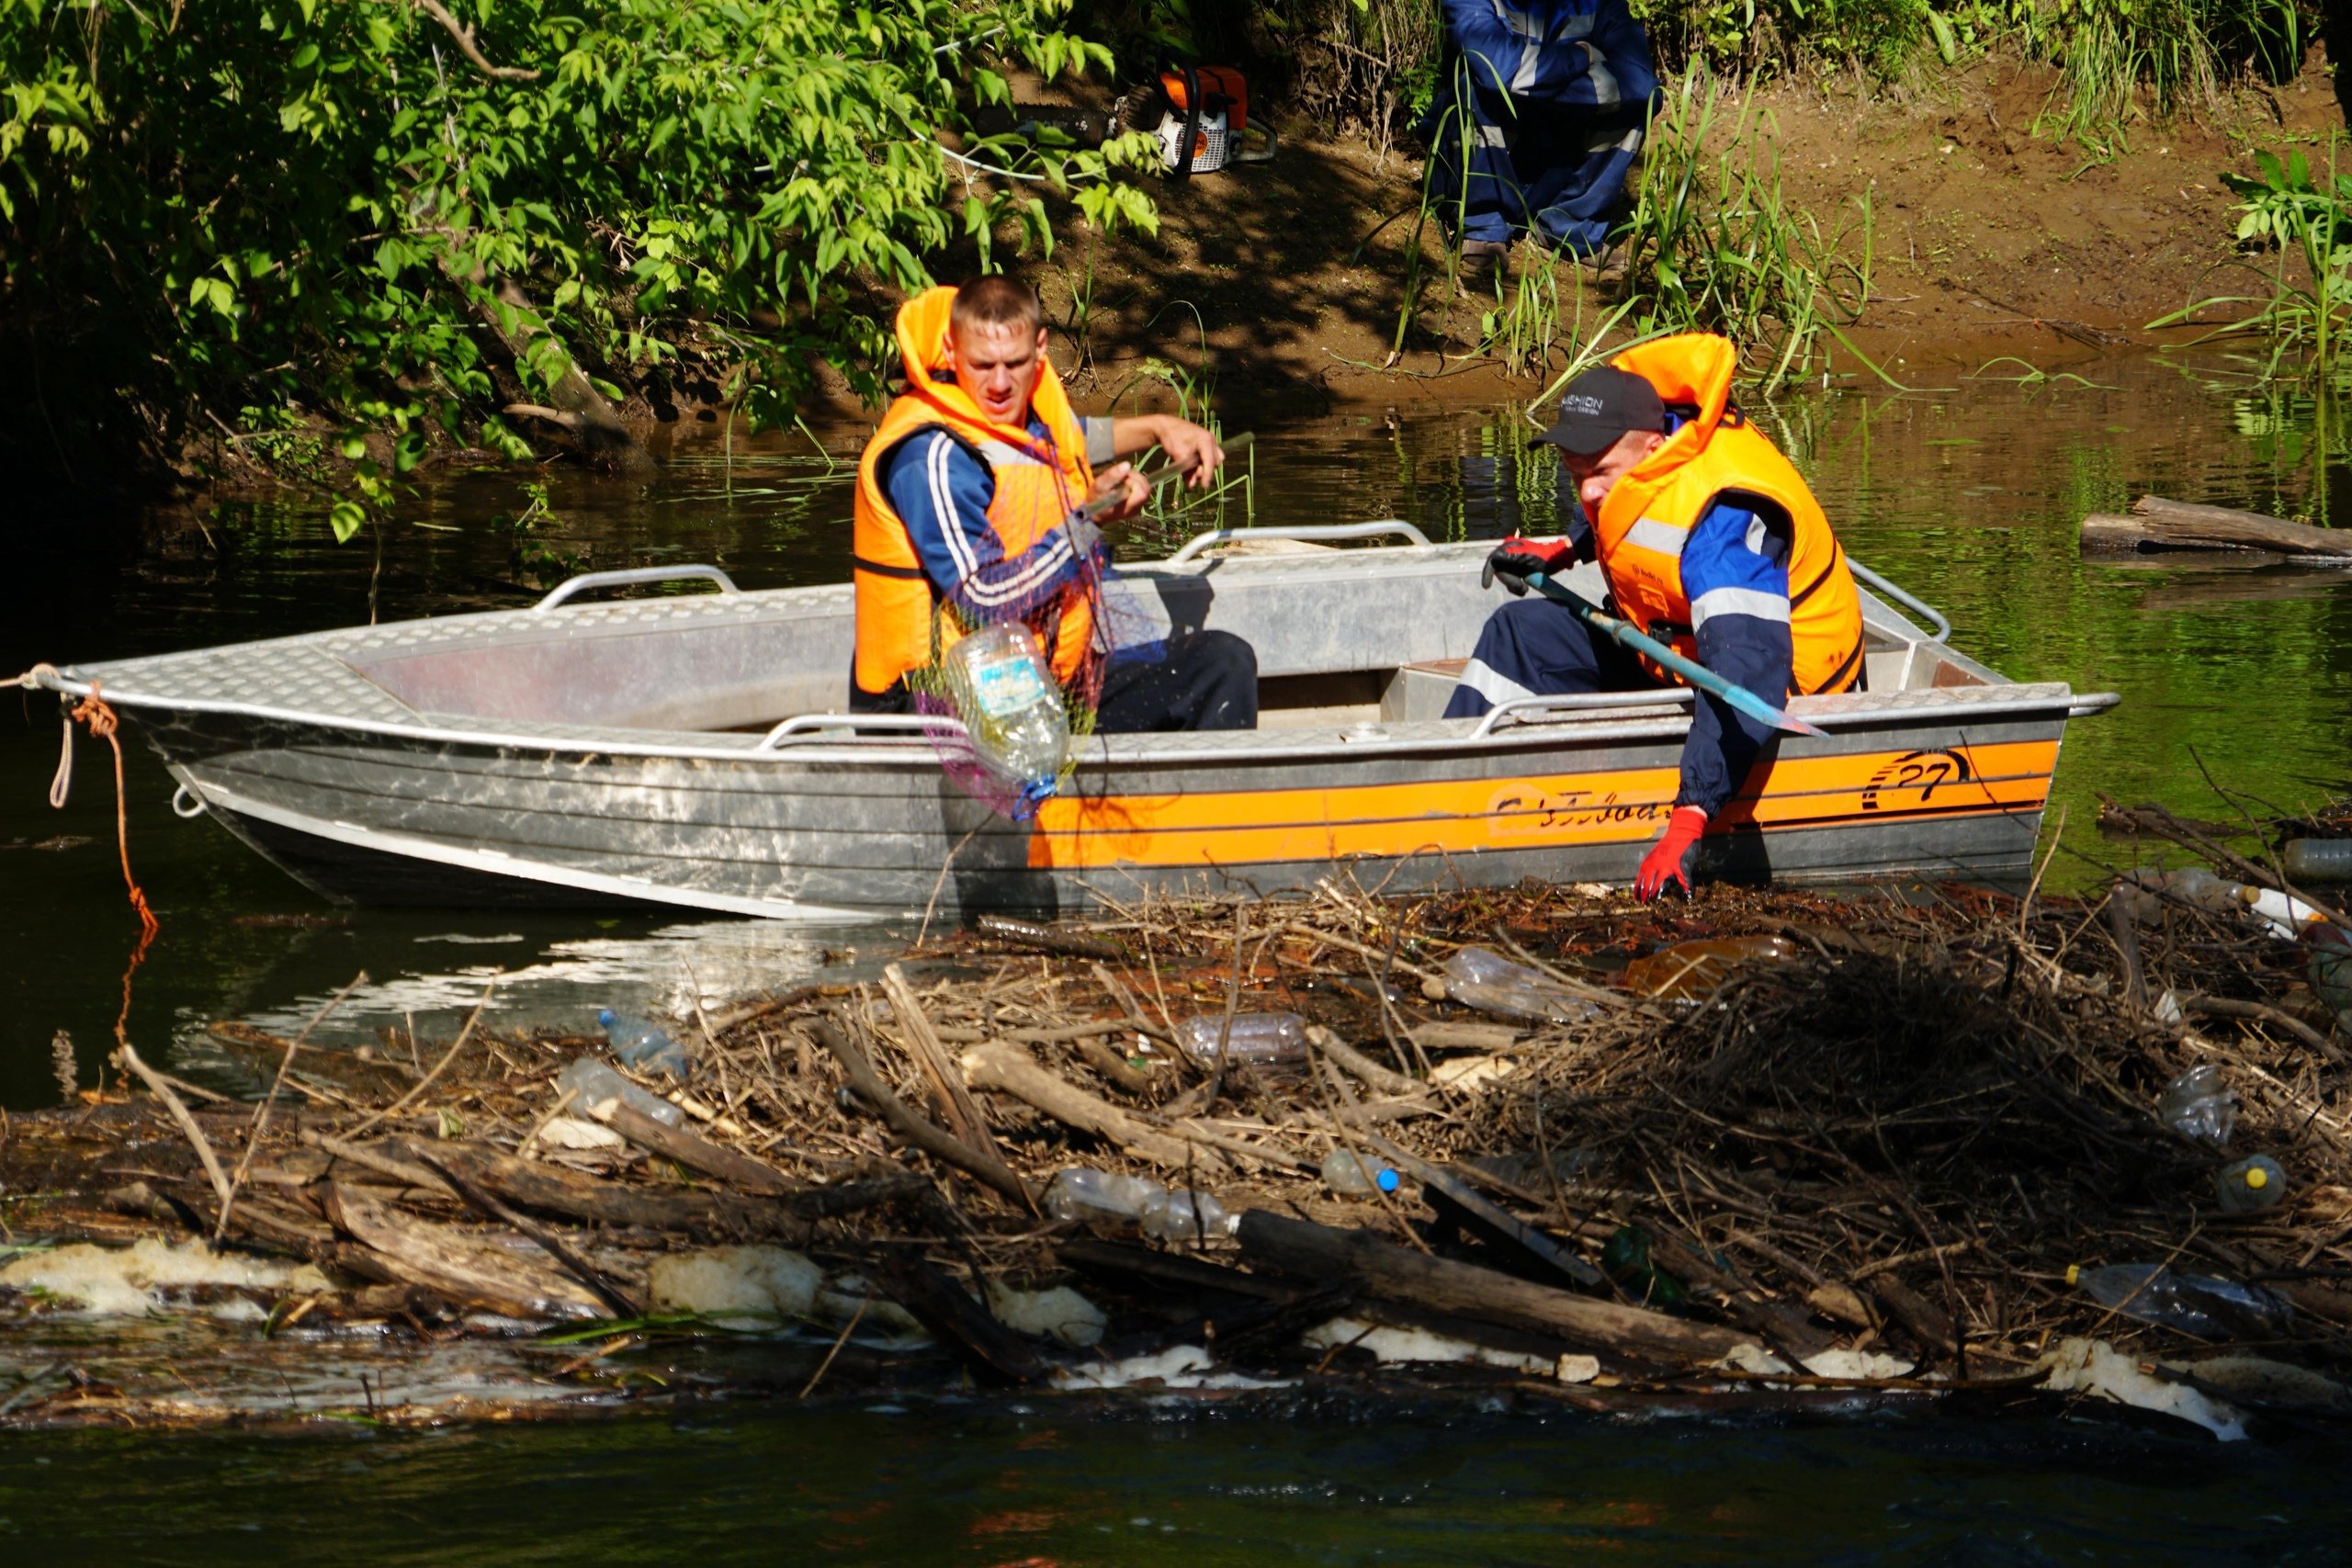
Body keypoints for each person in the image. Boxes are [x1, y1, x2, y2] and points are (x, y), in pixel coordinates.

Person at [1445, 333, 1867, 898]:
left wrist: (1688, 824)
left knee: (1732, 692)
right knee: (1518, 632)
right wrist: (1565, 548)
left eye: (1600, 471)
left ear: (1650, 450)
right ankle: (1447, 787)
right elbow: (1618, 505)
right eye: (1576, 474)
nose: (1589, 490)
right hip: (1677, 655)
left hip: (1786, 690)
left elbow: (1745, 683)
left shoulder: (1723, 520)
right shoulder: (1646, 450)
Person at [849, 275, 1257, 731]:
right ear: (951, 349)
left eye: (1015, 363)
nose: (1001, 384)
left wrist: (1161, 428)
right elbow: (982, 600)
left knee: (1221, 662)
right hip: (934, 701)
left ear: (1040, 348)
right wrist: (1088, 522)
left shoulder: (1011, 412)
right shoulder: (931, 457)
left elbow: (1068, 441)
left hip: (1031, 677)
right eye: (983, 365)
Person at [1419, 0, 1658, 260]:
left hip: (1548, 171)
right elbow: (1495, 69)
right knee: (1479, 87)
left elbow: (1641, 82)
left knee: (1637, 105)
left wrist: (1536, 85)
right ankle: (1483, 226)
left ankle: (1568, 229)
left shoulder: (1600, 5)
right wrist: (1582, 57)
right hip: (1473, 174)